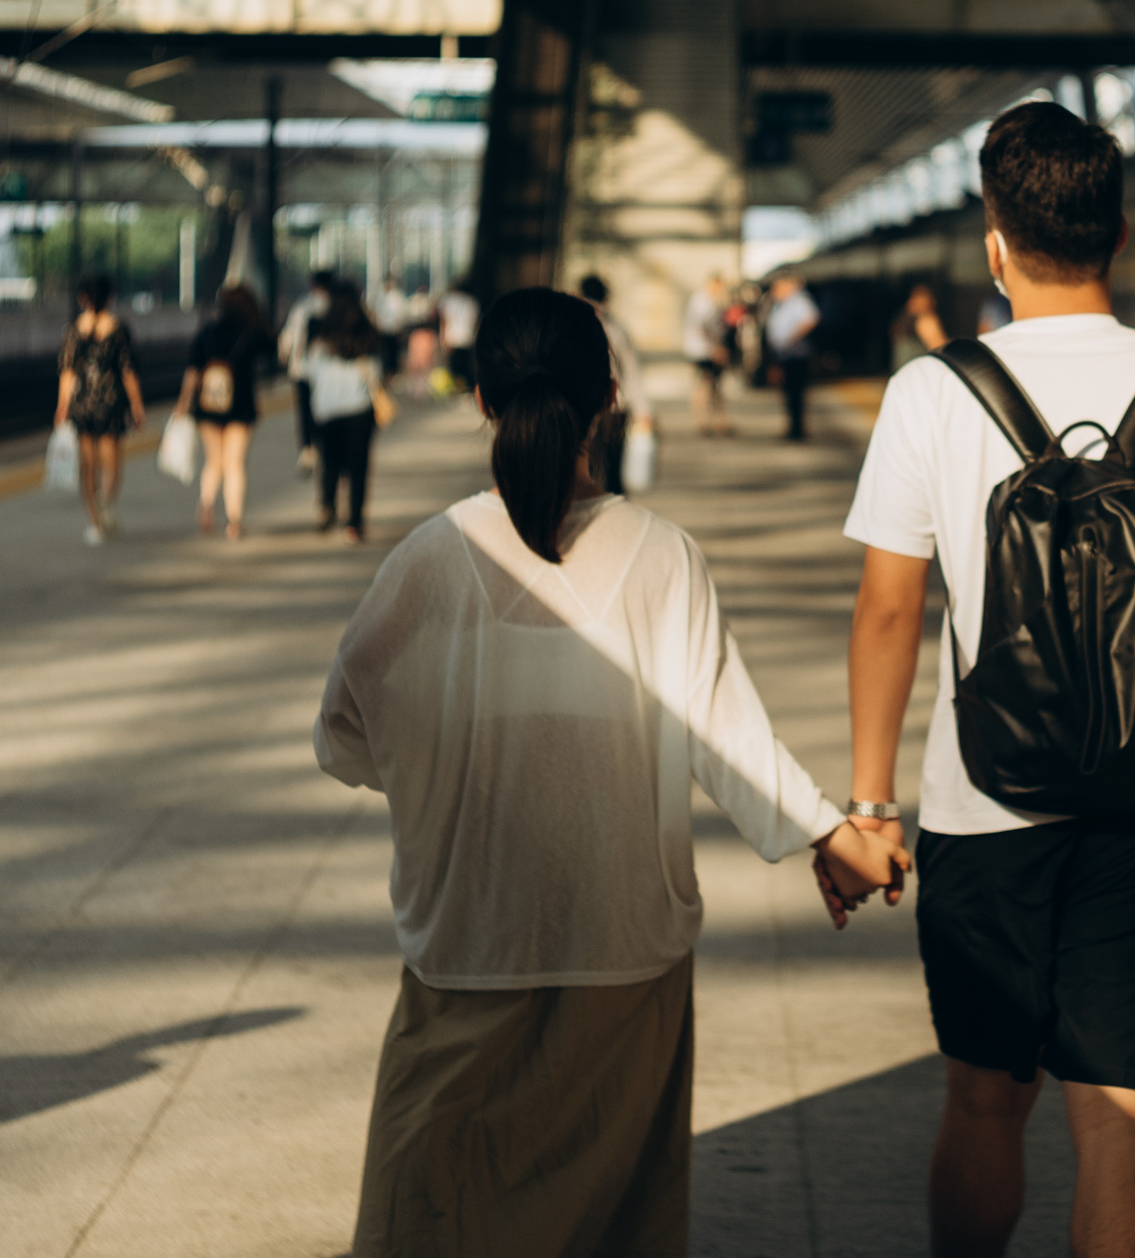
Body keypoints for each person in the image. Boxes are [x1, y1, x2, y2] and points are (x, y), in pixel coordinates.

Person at [313, 287, 906, 1258]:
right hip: (627, 967)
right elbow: (729, 738)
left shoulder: (429, 560)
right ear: (610, 398)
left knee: (428, 1220)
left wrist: (448, 766)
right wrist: (840, 839)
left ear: (478, 398)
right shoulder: (664, 560)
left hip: (469, 950)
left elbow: (342, 733)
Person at [836, 102, 1135, 1258]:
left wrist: (868, 805)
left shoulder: (931, 392)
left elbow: (889, 606)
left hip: (979, 805)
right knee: (1122, 1114)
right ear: (1121, 234)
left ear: (993, 242)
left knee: (986, 1095)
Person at [55, 272, 146, 546]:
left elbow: (67, 373)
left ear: (83, 298)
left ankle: (94, 521)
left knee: (88, 465)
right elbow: (128, 370)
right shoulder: (118, 329)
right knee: (112, 461)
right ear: (110, 297)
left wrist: (61, 407)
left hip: (82, 405)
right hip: (111, 404)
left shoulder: (73, 331)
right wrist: (137, 405)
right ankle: (107, 504)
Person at [183, 282, 267, 541]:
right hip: (240, 406)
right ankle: (234, 521)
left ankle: (207, 503)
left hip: (208, 407)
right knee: (234, 465)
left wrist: (183, 404)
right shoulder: (252, 333)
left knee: (214, 461)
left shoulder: (207, 331)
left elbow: (193, 371)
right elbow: (275, 350)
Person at [305, 282, 384, 544]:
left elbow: (311, 373)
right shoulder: (367, 332)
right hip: (360, 408)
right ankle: (355, 523)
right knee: (359, 466)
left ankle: (327, 506)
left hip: (327, 409)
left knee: (329, 462)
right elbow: (375, 373)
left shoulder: (321, 333)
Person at [576, 272, 648, 492]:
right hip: (616, 407)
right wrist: (644, 410)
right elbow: (631, 371)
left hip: (582, 407)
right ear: (606, 297)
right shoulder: (616, 328)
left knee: (584, 470)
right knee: (613, 470)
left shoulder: (574, 323)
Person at [281, 272, 336, 474]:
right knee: (326, 411)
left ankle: (307, 450)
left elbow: (290, 335)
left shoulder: (303, 306)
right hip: (328, 370)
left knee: (305, 411)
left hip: (302, 369)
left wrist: (285, 354)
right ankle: (326, 449)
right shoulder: (337, 306)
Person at [765, 273, 820, 442]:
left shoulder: (798, 301)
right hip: (785, 355)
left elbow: (811, 319)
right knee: (789, 393)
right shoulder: (782, 303)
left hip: (795, 356)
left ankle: (797, 429)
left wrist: (790, 339)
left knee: (795, 393)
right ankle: (794, 427)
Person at [682, 273, 735, 436]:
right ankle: (705, 422)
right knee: (705, 386)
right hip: (705, 351)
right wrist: (716, 348)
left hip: (705, 349)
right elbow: (704, 327)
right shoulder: (703, 302)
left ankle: (715, 422)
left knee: (711, 386)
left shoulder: (704, 300)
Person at [435, 278, 480, 396]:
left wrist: (442, 338)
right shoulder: (472, 301)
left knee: (454, 367)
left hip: (452, 338)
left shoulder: (448, 301)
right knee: (466, 367)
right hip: (467, 338)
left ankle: (456, 389)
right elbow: (475, 322)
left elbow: (443, 321)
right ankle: (466, 390)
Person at [891, 281, 948, 370]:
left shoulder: (901, 321)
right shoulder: (925, 319)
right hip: (919, 375)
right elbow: (941, 350)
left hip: (903, 374)